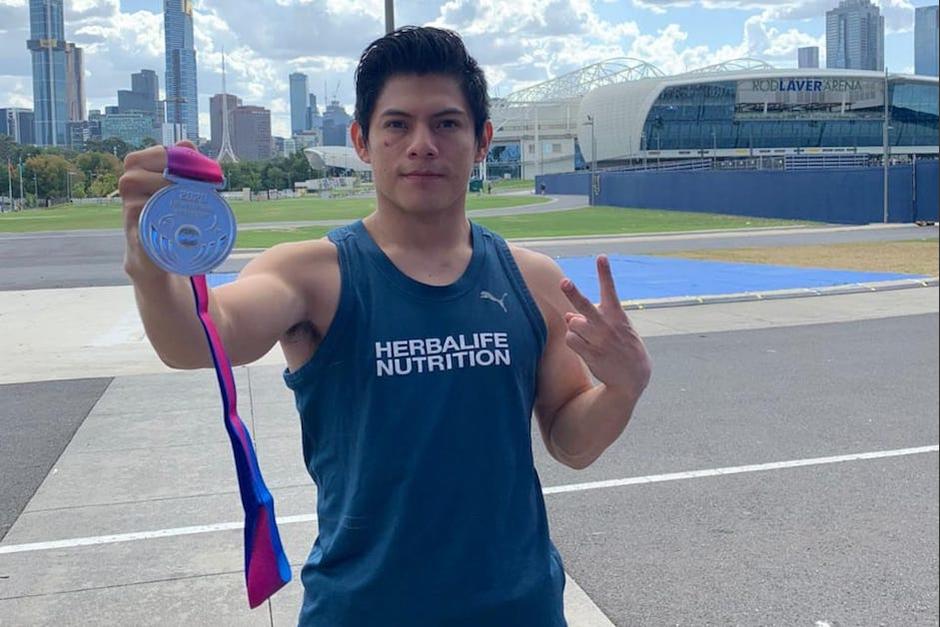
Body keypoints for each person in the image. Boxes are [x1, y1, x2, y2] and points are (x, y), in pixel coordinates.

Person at [119, 26, 651, 627]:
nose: (422, 144)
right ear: (362, 142)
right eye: (397, 124)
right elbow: (197, 340)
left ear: (482, 142)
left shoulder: (532, 280)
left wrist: (622, 389)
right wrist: (151, 269)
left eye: (447, 124)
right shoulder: (312, 274)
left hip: (517, 608)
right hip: (362, 610)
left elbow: (569, 443)